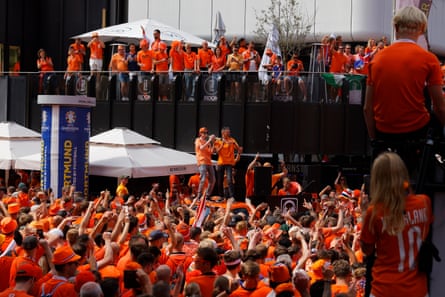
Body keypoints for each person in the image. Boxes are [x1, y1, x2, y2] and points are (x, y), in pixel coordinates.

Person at [363, 5, 445, 169]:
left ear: (395, 27)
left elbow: (367, 108)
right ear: (421, 29)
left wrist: (375, 141)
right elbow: (439, 108)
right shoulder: (428, 59)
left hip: (384, 131)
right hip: (417, 130)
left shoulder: (376, 60)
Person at [360, 152, 433, 297]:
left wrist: (363, 213)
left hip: (384, 289)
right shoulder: (424, 202)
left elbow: (367, 250)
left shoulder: (374, 212)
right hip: (417, 290)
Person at [214, 127, 242, 199]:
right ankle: (221, 196)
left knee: (229, 179)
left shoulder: (232, 140)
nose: (229, 133)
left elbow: (238, 149)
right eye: (227, 132)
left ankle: (232, 196)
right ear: (223, 133)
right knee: (220, 181)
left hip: (229, 163)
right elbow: (216, 152)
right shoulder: (218, 140)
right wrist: (222, 144)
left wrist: (239, 150)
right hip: (221, 163)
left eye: (229, 132)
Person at [194, 127, 216, 200]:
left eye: (206, 133)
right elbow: (201, 148)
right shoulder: (198, 140)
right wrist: (209, 140)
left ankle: (207, 195)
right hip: (202, 161)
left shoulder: (207, 142)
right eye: (203, 133)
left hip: (209, 162)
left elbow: (211, 152)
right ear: (200, 133)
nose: (205, 134)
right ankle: (199, 196)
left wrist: (213, 143)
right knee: (203, 179)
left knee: (213, 179)